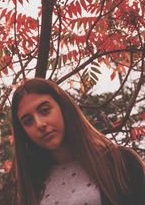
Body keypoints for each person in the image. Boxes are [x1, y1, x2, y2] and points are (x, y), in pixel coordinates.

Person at [11, 78, 145, 205]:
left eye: (45, 110)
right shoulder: (33, 184)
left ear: (63, 108)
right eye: (28, 121)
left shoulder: (120, 163)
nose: (39, 124)